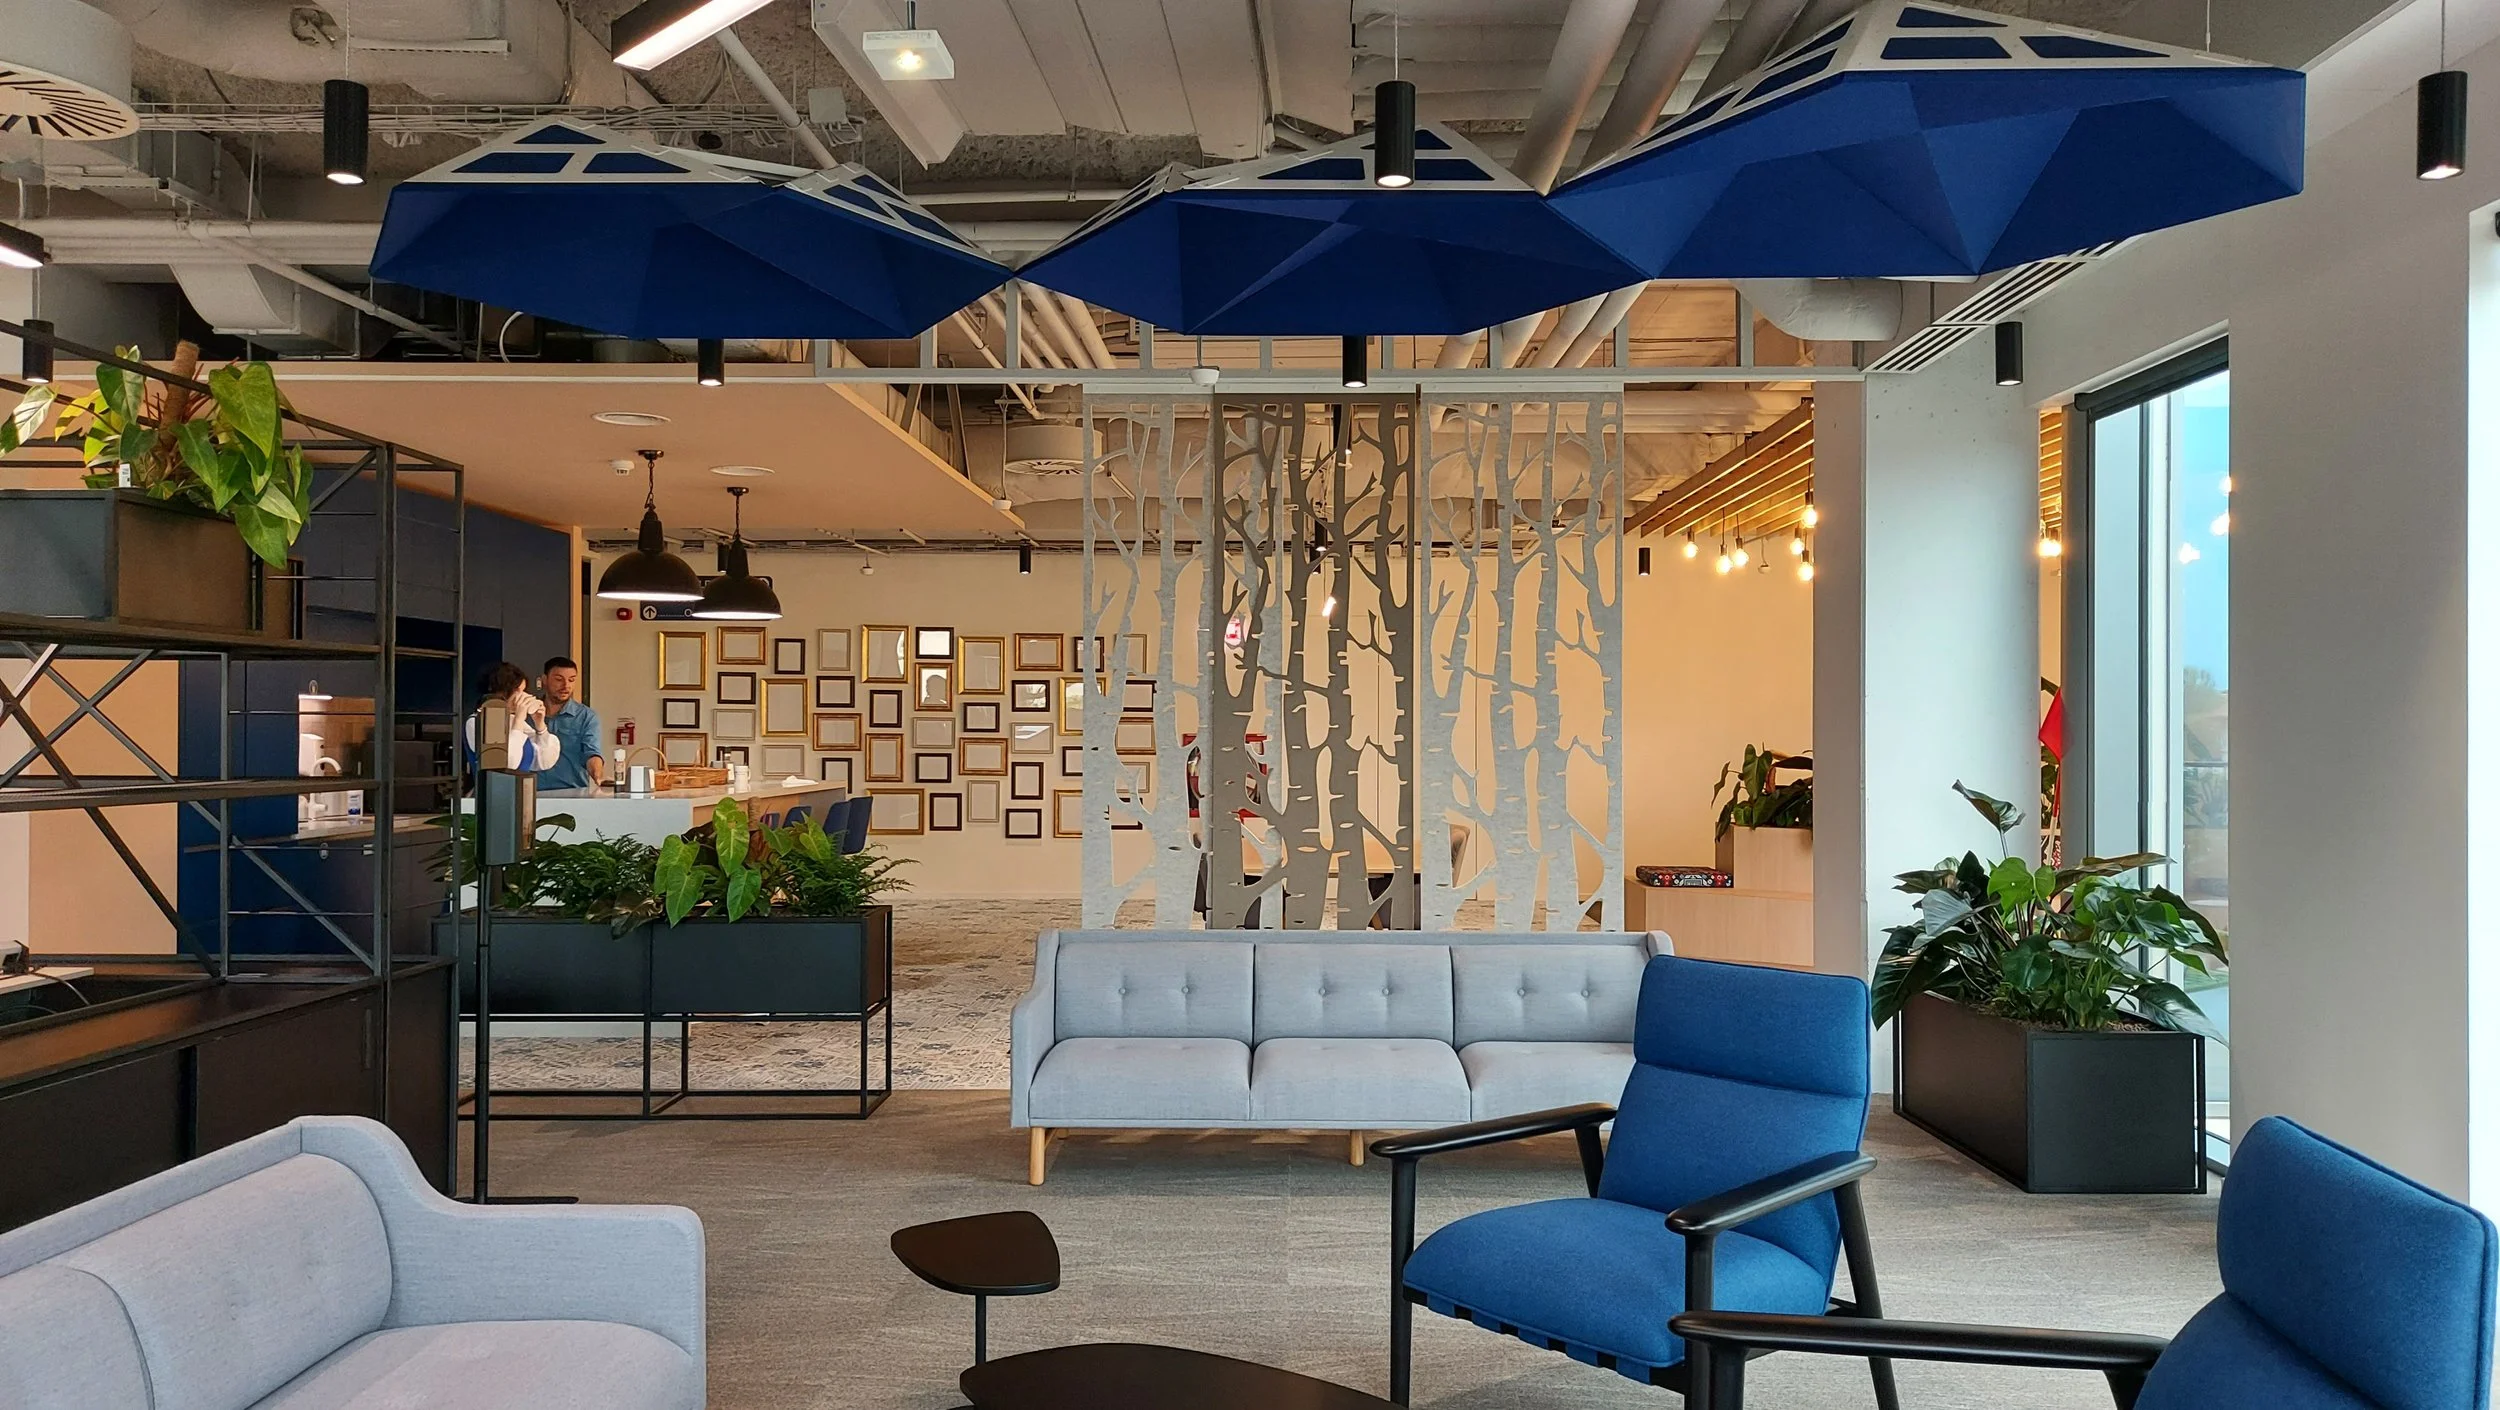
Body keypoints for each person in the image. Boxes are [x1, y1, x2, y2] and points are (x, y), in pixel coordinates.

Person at [465, 662, 560, 776]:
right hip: (493, 789)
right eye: (518, 691)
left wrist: (540, 726)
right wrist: (519, 720)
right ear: (502, 691)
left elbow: (543, 761)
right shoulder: (476, 721)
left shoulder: (513, 720)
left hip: (519, 788)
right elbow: (507, 764)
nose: (522, 696)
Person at [537, 656, 604, 790]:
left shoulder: (586, 716)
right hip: (531, 792)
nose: (566, 686)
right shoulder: (528, 713)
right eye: (559, 679)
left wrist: (597, 773)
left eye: (571, 680)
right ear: (544, 680)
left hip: (572, 793)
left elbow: (591, 753)